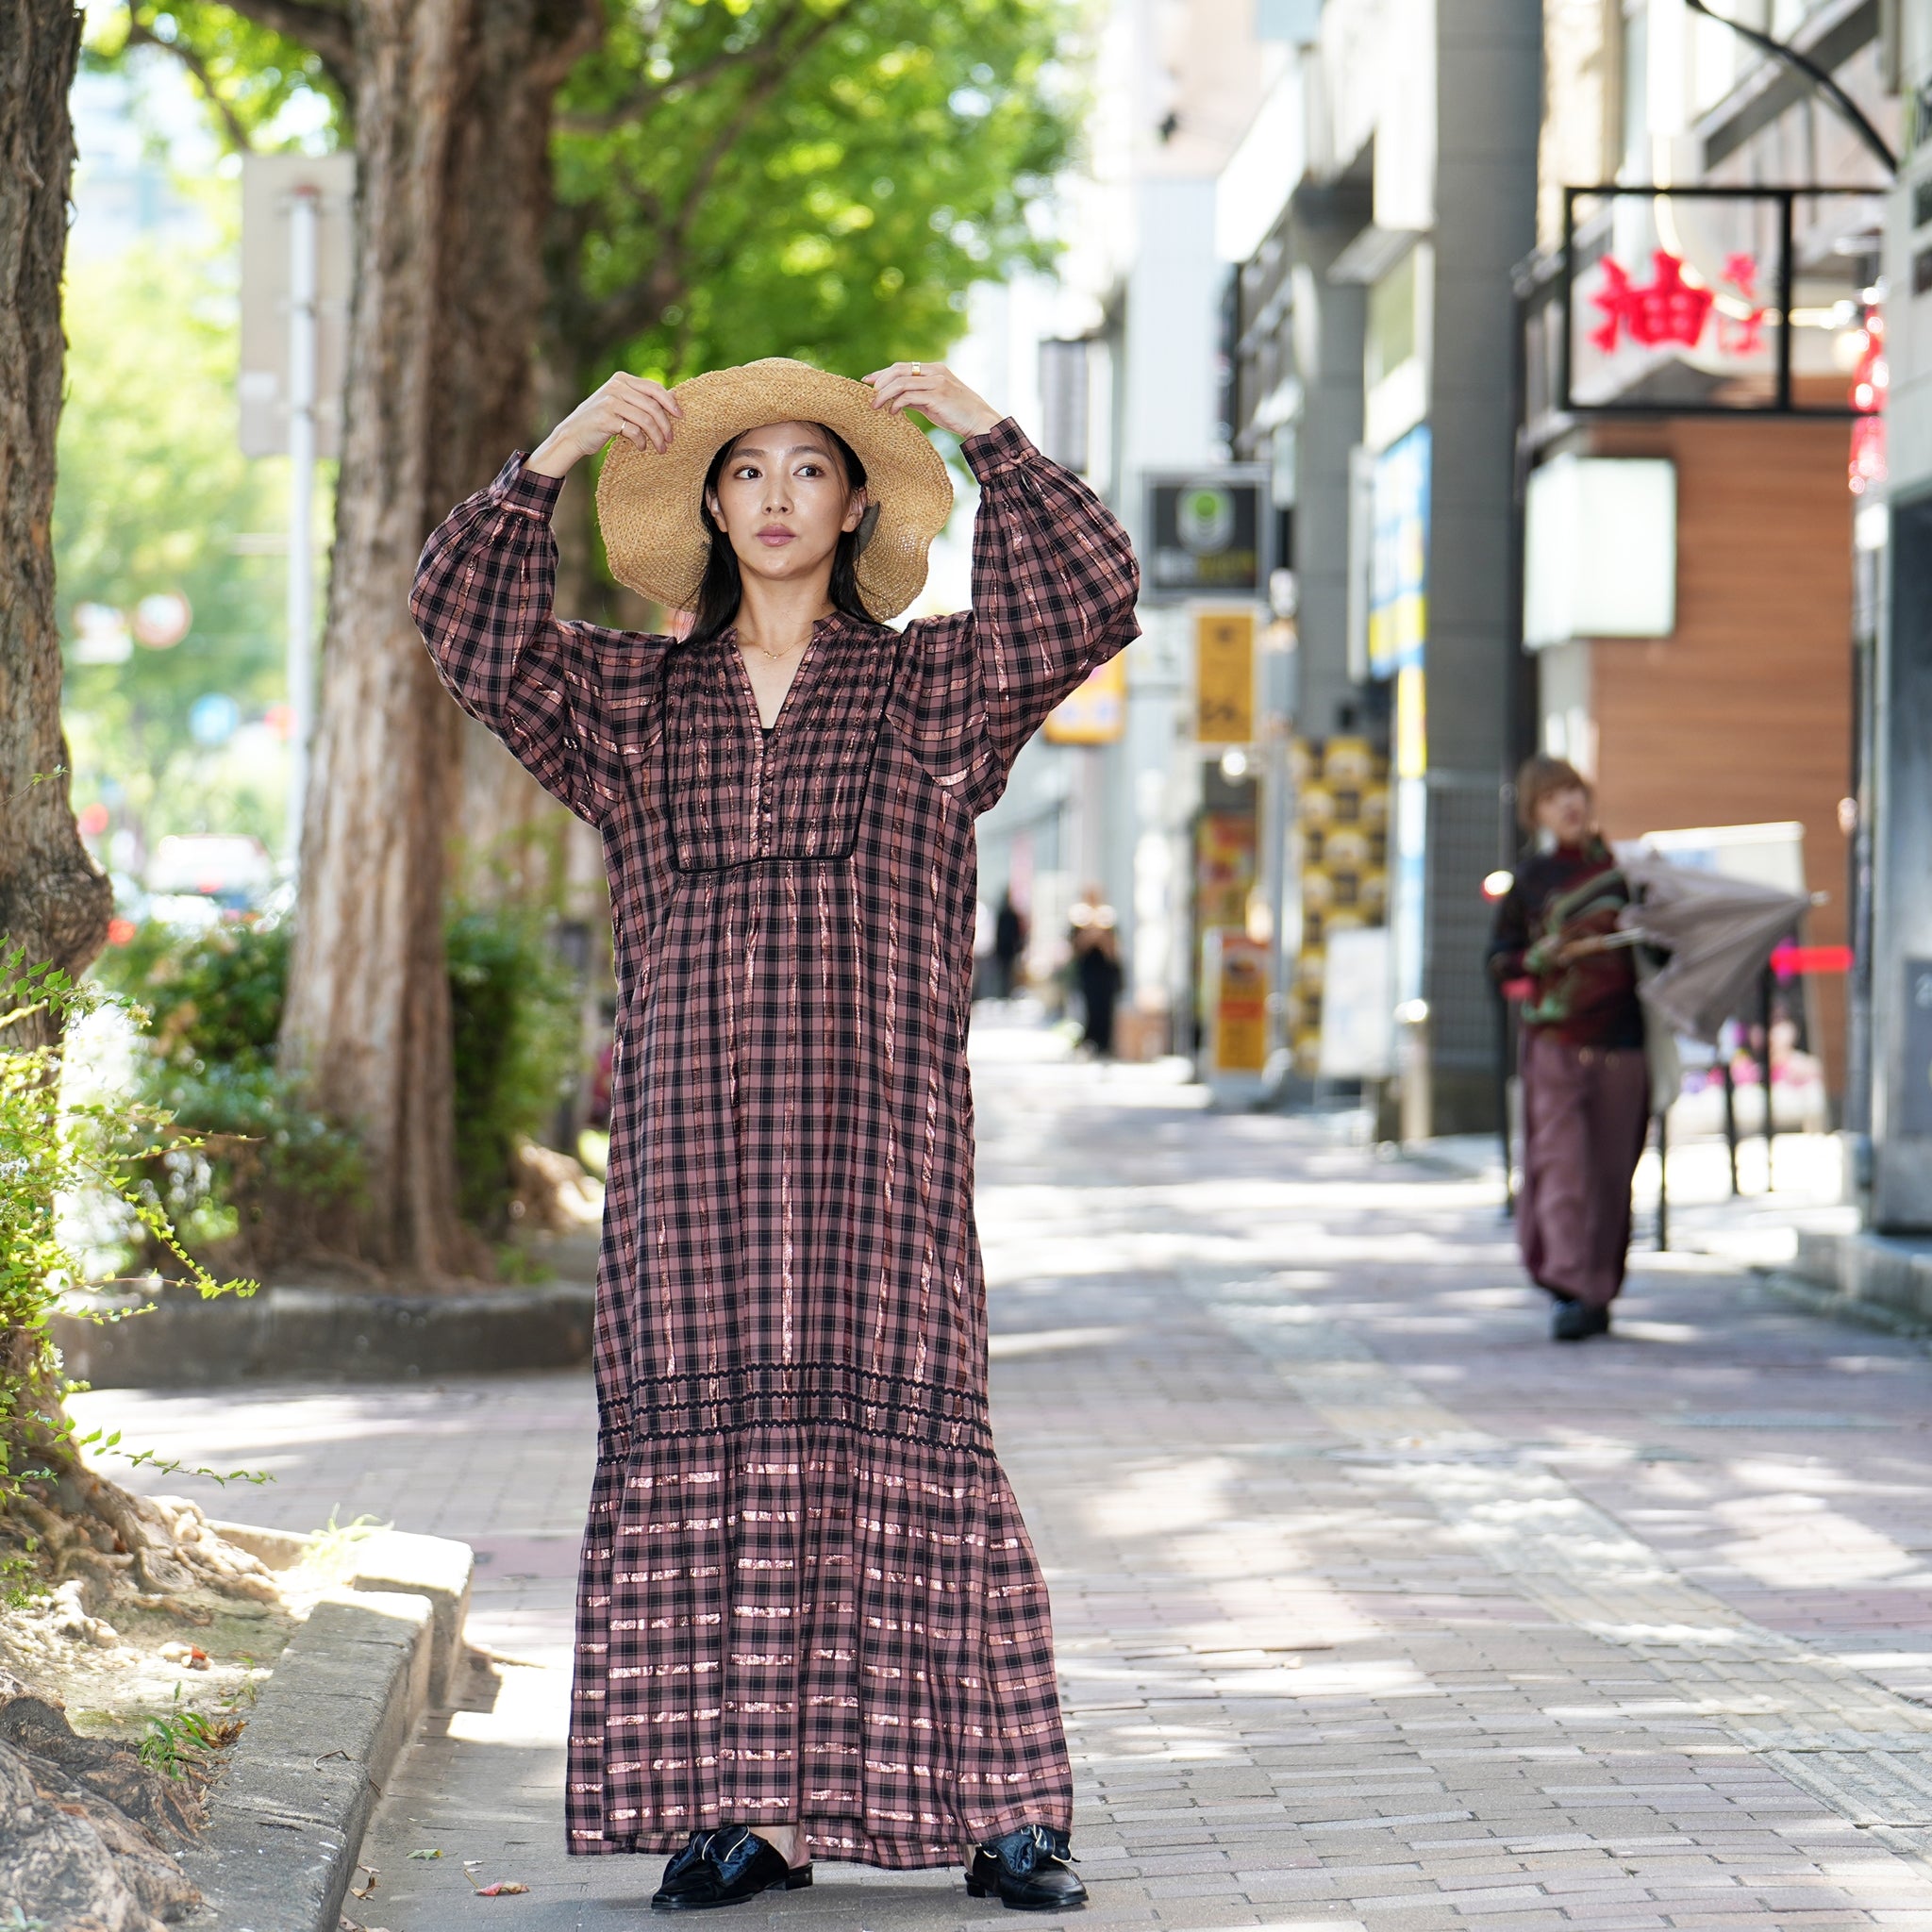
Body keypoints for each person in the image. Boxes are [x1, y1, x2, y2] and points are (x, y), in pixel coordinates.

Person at [413, 357, 1139, 1911]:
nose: (778, 497)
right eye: (746, 473)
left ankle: (1003, 1808)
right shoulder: (628, 705)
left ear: (856, 502)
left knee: (917, 1443)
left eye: (811, 470)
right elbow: (461, 620)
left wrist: (984, 425)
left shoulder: (932, 689)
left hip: (880, 1152)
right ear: (710, 506)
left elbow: (1091, 591)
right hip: (689, 1159)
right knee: (728, 1456)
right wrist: (554, 450)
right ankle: (753, 1814)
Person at [1488, 756, 1649, 1342]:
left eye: (1574, 791)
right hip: (1555, 1044)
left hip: (1624, 1044)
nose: (1568, 804)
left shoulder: (1629, 872)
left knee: (1611, 1174)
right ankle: (1568, 1285)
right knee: (1562, 1169)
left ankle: (1598, 1290)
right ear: (1536, 813)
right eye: (1553, 797)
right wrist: (1541, 958)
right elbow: (1500, 966)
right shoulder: (1528, 881)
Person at [1068, 891, 1123, 1057]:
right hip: (1088, 973)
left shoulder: (1108, 921)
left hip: (1106, 974)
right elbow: (1075, 949)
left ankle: (1105, 1043)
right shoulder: (1079, 920)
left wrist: (1101, 936)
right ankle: (1089, 1040)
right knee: (1088, 1008)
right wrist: (1090, 935)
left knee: (1106, 1009)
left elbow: (1114, 952)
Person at [992, 889, 1027, 1000]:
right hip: (1007, 949)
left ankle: (1006, 995)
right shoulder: (1007, 914)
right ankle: (1005, 995)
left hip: (1006, 949)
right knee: (1005, 975)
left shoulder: (1007, 914)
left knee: (1007, 975)